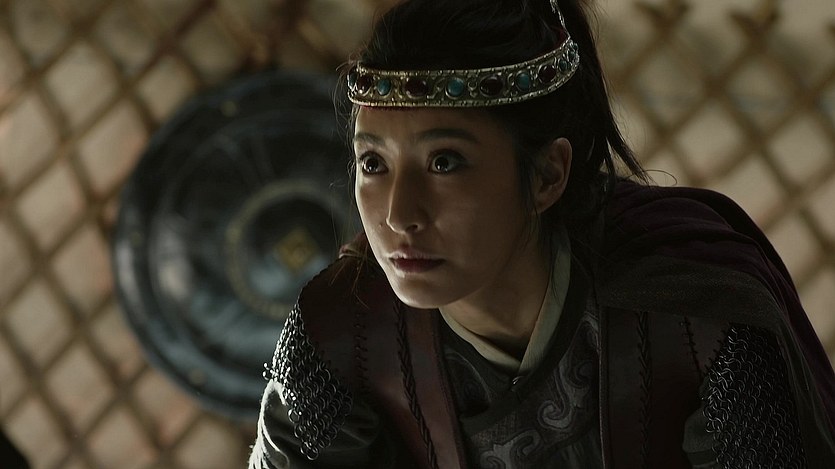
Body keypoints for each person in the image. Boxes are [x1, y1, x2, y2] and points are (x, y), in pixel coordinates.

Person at [248, 0, 835, 467]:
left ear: (548, 175)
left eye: (445, 162)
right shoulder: (342, 335)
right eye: (373, 163)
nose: (400, 214)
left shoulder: (692, 319)